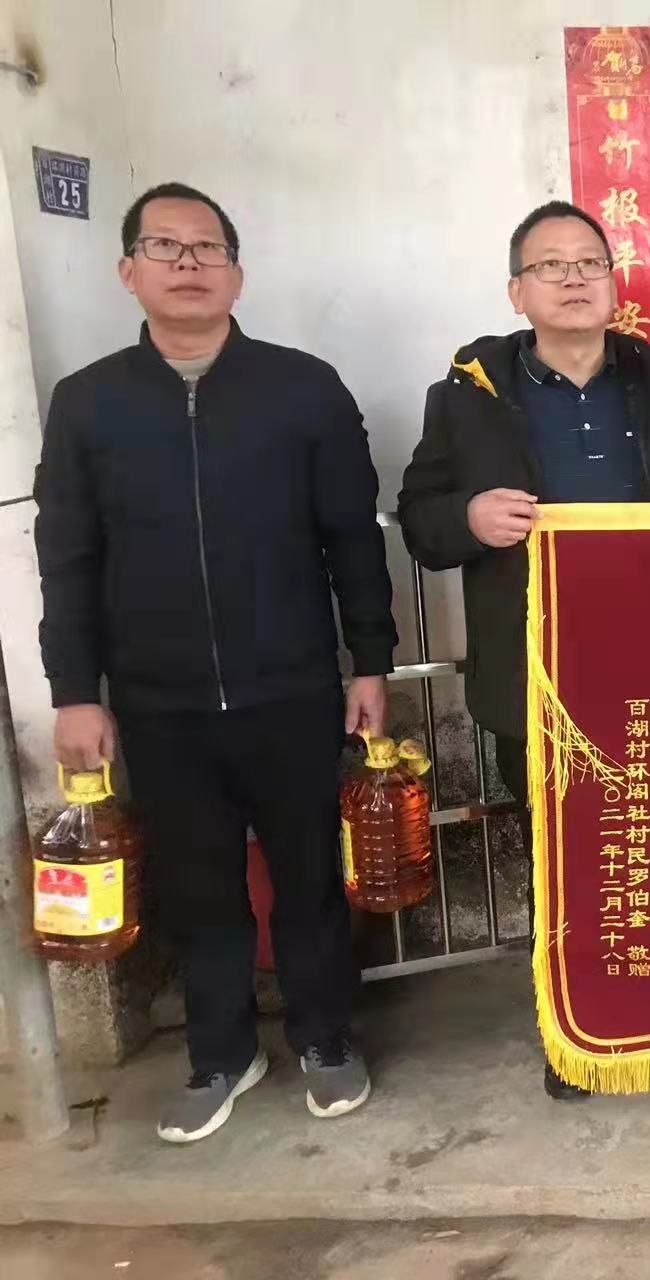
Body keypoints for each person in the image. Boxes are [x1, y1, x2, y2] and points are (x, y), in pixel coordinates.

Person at [397, 200, 650, 1101]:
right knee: (566, 854)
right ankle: (580, 1026)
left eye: (589, 262)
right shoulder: (467, 397)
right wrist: (467, 517)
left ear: (615, 284)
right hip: (538, 667)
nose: (574, 279)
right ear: (517, 291)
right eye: (551, 265)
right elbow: (420, 520)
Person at [35, 182, 396, 1143]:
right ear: (129, 272)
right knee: (198, 889)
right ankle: (222, 1055)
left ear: (237, 274)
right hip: (158, 701)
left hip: (292, 686)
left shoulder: (302, 388)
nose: (189, 263)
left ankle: (325, 1039)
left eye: (208, 248)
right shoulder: (89, 403)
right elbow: (67, 557)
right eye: (165, 246)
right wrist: (73, 691)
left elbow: (351, 536)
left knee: (309, 876)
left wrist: (370, 661)